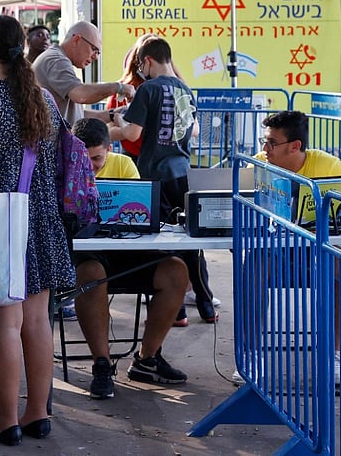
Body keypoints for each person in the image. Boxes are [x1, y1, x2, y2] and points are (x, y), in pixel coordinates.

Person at [0, 14, 74, 445]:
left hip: (1, 226)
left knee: (5, 325)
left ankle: (6, 422)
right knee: (37, 321)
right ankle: (37, 413)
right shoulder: (42, 99)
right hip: (41, 219)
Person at [252, 110, 341, 388]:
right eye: (264, 142)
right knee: (253, 265)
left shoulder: (325, 163)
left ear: (295, 146)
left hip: (316, 250)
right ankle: (250, 354)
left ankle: (332, 356)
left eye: (271, 143)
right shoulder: (256, 165)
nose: (264, 149)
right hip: (272, 249)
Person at [71, 116, 190, 398]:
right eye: (84, 159)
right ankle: (102, 363)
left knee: (176, 271)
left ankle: (147, 359)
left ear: (109, 149)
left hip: (124, 249)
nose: (91, 166)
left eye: (97, 158)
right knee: (90, 275)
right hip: (84, 254)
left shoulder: (124, 165)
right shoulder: (63, 168)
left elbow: (141, 215)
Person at [108, 36, 219, 325]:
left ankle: (176, 310)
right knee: (189, 241)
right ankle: (206, 305)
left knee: (161, 244)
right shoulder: (185, 89)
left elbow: (132, 134)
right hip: (182, 172)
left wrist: (117, 121)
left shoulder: (148, 89)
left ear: (146, 61)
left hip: (154, 174)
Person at [32, 20, 134, 125]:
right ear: (77, 39)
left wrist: (112, 114)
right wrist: (118, 88)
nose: (95, 57)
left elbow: (76, 115)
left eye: (98, 52)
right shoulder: (56, 60)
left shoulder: (58, 58)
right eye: (94, 49)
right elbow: (81, 95)